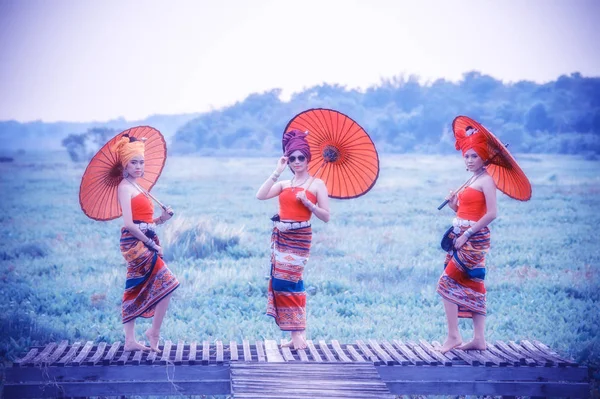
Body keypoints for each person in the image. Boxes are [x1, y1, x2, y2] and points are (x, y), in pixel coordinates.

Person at [255, 130, 330, 350]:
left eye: (301, 158)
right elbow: (260, 195)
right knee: (288, 283)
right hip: (281, 237)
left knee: (287, 281)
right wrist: (277, 171)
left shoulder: (317, 184)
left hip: (300, 237)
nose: (297, 162)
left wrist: (309, 204)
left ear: (308, 159)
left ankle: (298, 335)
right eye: (293, 158)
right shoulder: (285, 184)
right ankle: (298, 334)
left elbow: (326, 216)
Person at [113, 134, 179, 353]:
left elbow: (147, 223)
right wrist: (152, 245)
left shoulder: (140, 187)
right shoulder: (125, 187)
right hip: (135, 244)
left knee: (135, 285)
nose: (139, 166)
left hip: (146, 239)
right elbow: (130, 225)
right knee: (168, 282)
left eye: (141, 162)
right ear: (125, 164)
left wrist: (162, 219)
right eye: (134, 162)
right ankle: (153, 332)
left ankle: (131, 340)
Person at [437, 126, 497, 353]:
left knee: (445, 282)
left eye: (475, 156)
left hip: (473, 239)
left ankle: (453, 336)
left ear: (484, 158)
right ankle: (479, 339)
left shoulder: (487, 181)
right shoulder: (472, 180)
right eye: (467, 156)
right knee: (474, 283)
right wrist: (454, 204)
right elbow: (464, 211)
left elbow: (491, 213)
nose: (470, 160)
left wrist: (467, 235)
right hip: (460, 235)